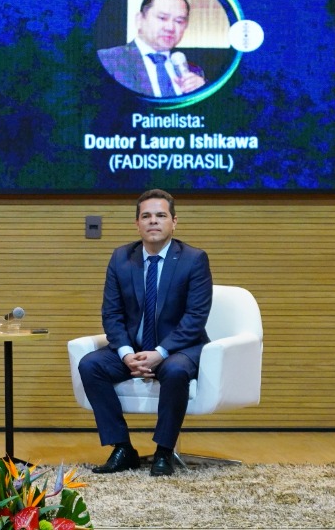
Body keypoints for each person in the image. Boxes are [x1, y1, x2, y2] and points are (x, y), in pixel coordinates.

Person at [77, 189, 213, 477]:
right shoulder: (121, 258)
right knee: (90, 365)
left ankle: (164, 451)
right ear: (137, 224)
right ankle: (122, 448)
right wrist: (127, 355)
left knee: (175, 371)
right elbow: (111, 314)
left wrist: (160, 353)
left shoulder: (194, 259)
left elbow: (195, 318)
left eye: (161, 215)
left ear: (174, 222)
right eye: (146, 216)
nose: (153, 221)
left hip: (178, 349)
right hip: (135, 349)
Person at [96, 0, 207, 97]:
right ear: (139, 20)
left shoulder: (194, 71)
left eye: (179, 21)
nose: (170, 28)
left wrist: (204, 93)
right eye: (162, 18)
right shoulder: (108, 60)